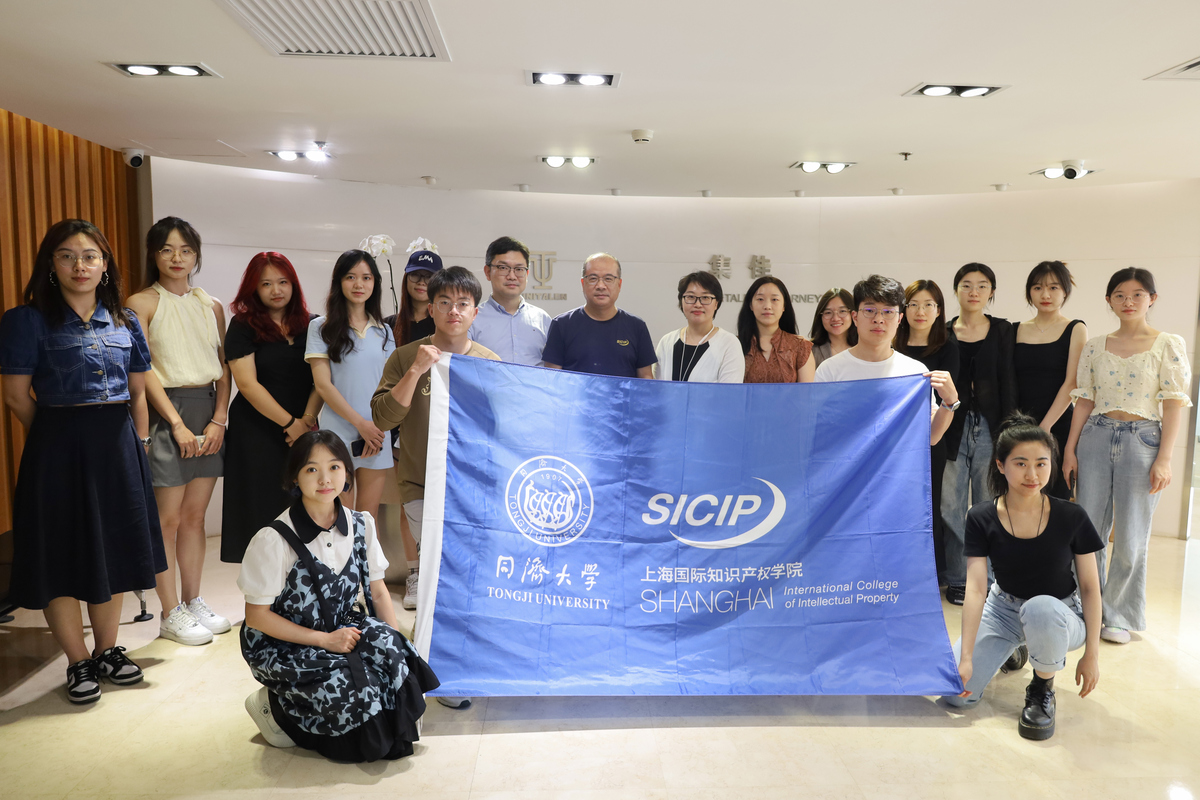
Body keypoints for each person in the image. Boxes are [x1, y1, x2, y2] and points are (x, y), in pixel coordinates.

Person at [0, 219, 167, 704]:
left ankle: (107, 650)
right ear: (50, 264)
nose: (80, 266)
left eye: (90, 256)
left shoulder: (125, 320)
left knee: (113, 549)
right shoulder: (26, 320)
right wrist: (58, 436)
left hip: (118, 447)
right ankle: (78, 660)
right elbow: (15, 396)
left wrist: (139, 442)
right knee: (61, 554)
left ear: (105, 264)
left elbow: (138, 392)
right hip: (56, 448)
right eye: (67, 256)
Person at [239, 430, 438, 761]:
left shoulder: (361, 524)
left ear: (347, 472)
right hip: (285, 644)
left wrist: (395, 647)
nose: (325, 479)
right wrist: (323, 640)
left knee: (395, 659)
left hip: (343, 627)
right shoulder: (274, 539)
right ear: (295, 477)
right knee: (355, 694)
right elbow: (257, 617)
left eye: (334, 467)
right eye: (311, 469)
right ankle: (275, 706)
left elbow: (378, 591)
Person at [371, 266, 501, 708]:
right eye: (444, 302)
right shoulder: (407, 356)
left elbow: (504, 427)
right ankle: (436, 666)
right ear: (431, 308)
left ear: (475, 311)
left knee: (467, 574)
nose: (453, 311)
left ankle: (462, 654)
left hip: (473, 488)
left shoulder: (488, 362)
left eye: (463, 304)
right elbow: (383, 417)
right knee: (436, 574)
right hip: (420, 483)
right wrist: (417, 371)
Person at [946, 413, 1102, 741]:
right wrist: (966, 658)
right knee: (955, 695)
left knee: (1040, 608)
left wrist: (1092, 654)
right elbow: (976, 589)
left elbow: (1090, 587)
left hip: (1060, 613)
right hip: (1003, 609)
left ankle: (1042, 687)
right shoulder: (981, 516)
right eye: (1020, 464)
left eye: (1041, 464)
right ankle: (1015, 649)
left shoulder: (1072, 515)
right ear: (1000, 465)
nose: (1032, 475)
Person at [1063, 268, 1192, 644]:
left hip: (1143, 440)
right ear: (1109, 301)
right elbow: (1084, 399)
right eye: (1119, 295)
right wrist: (1069, 448)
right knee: (1088, 530)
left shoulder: (1168, 344)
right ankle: (1085, 606)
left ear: (1152, 299)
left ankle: (1117, 615)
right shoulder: (1095, 346)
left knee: (1132, 535)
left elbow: (1173, 404)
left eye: (1137, 294)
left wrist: (1165, 458)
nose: (1128, 302)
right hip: (1095, 437)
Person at [126, 217, 231, 646]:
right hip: (165, 410)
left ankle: (193, 600)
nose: (177, 258)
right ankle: (169, 612)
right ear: (153, 254)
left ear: (196, 256)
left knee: (194, 518)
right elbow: (143, 368)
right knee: (166, 520)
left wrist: (219, 418)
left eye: (186, 250)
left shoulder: (212, 304)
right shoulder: (141, 302)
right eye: (167, 249)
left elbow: (224, 364)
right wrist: (175, 423)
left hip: (207, 410)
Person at [221, 252, 322, 563]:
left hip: (302, 430)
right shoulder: (243, 325)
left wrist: (306, 421)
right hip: (256, 430)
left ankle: (301, 586)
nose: (276, 290)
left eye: (283, 282)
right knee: (260, 510)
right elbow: (247, 384)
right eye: (266, 284)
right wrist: (291, 424)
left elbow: (322, 380)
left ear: (294, 285)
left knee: (303, 507)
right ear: (253, 288)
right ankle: (261, 589)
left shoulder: (313, 324)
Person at [942, 263, 1017, 606]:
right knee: (951, 505)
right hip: (951, 424)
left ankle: (987, 579)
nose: (974, 292)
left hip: (991, 425)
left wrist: (1009, 430)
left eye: (982, 285)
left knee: (989, 504)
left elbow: (1009, 379)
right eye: (966, 285)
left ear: (991, 292)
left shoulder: (1002, 330)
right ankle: (959, 577)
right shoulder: (943, 331)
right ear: (956, 290)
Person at [305, 249, 395, 525]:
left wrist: (376, 428)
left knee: (368, 519)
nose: (359, 284)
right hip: (338, 434)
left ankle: (366, 559)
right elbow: (323, 385)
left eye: (366, 278)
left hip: (377, 435)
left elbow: (390, 387)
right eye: (351, 277)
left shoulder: (384, 331)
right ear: (339, 281)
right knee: (338, 518)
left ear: (375, 283)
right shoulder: (321, 327)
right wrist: (360, 424)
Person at [814, 275, 958, 447]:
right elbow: (819, 431)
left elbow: (931, 436)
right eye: (869, 310)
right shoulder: (830, 370)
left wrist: (949, 402)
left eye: (888, 312)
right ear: (855, 317)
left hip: (896, 464)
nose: (878, 319)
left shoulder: (915, 372)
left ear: (899, 319)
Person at [894, 279, 960, 583]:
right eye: (914, 305)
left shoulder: (948, 347)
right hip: (894, 439)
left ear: (939, 311)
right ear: (903, 310)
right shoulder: (890, 344)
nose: (920, 312)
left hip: (932, 434)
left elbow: (949, 397)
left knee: (929, 505)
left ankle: (931, 573)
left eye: (928, 305)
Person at [1013, 261, 1087, 499]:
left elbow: (1072, 382)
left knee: (1056, 499)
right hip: (1020, 426)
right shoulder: (1015, 329)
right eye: (1037, 288)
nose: (1045, 295)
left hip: (1058, 425)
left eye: (1054, 288)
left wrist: (1045, 427)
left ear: (1065, 291)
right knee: (1021, 497)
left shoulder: (1075, 328)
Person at [542, 253, 656, 378]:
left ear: (619, 284)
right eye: (593, 278)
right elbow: (551, 379)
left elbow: (646, 379)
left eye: (608, 279)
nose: (601, 286)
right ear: (583, 283)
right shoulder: (561, 325)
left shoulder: (637, 327)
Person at [468, 236, 551, 366]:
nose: (512, 276)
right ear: (488, 272)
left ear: (527, 274)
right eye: (503, 268)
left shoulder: (543, 319)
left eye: (519, 269)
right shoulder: (472, 318)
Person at [655, 271, 744, 382]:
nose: (697, 304)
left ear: (716, 303)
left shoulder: (729, 343)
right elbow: (656, 387)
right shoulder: (667, 341)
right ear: (681, 301)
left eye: (705, 297)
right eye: (691, 297)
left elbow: (730, 391)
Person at [738, 276, 815, 383]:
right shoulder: (735, 344)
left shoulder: (801, 346)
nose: (767, 306)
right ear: (750, 305)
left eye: (774, 299)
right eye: (760, 299)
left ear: (784, 306)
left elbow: (806, 392)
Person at [385, 249, 442, 346]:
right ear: (406, 278)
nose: (421, 282)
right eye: (415, 275)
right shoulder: (387, 326)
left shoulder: (444, 325)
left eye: (429, 277)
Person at [809, 288, 857, 367]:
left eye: (842, 311)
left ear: (853, 314)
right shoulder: (810, 351)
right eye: (828, 312)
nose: (835, 318)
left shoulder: (866, 348)